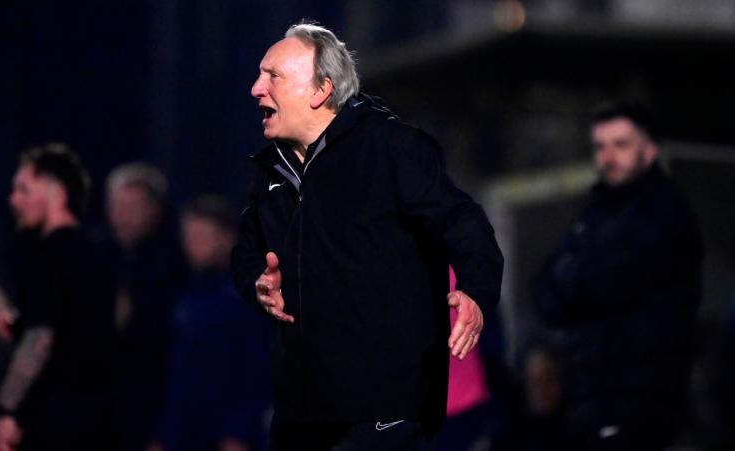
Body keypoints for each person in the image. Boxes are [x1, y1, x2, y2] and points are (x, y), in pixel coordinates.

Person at [232, 22, 504, 451]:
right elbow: (246, 252)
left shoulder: (392, 148)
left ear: (320, 90)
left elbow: (463, 221)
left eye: (272, 76)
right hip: (301, 409)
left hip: (384, 405)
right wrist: (257, 285)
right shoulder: (271, 170)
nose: (255, 89)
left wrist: (475, 289)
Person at [533, 102, 702, 450]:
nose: (608, 157)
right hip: (590, 403)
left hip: (637, 407)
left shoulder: (662, 212)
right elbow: (545, 293)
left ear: (649, 150)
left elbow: (603, 284)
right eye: (600, 146)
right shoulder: (595, 213)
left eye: (621, 144)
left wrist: (573, 276)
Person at [0, 143, 116, 451]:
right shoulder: (99, 254)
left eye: (23, 189)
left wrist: (6, 410)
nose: (14, 199)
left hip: (50, 420)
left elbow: (40, 338)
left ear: (55, 193)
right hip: (97, 418)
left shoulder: (43, 255)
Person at [149, 195, 271, 451]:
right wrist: (161, 433)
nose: (193, 245)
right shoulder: (186, 294)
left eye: (202, 236)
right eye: (188, 236)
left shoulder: (246, 296)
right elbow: (176, 372)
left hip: (224, 433)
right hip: (182, 431)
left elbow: (253, 370)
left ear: (226, 238)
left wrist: (238, 433)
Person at [103, 162, 186, 451]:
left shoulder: (173, 266)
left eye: (133, 207)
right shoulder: (98, 258)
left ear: (155, 211)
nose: (123, 217)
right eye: (117, 207)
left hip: (151, 405)